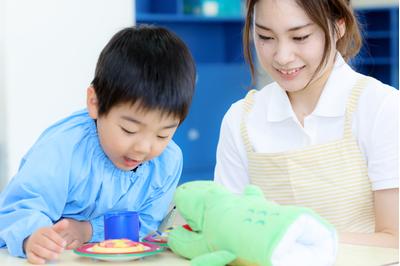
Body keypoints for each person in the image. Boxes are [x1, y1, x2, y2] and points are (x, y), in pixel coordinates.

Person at [0, 24, 196, 264]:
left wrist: (88, 230)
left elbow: (147, 223)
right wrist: (32, 237)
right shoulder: (64, 147)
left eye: (163, 135)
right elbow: (20, 206)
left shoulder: (168, 161)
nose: (144, 148)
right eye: (129, 129)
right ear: (95, 102)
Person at [214, 0, 398, 248]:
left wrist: (297, 236)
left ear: (338, 26)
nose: (282, 56)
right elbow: (227, 231)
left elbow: (394, 239)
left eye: (300, 37)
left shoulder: (381, 108)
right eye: (265, 37)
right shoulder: (240, 119)